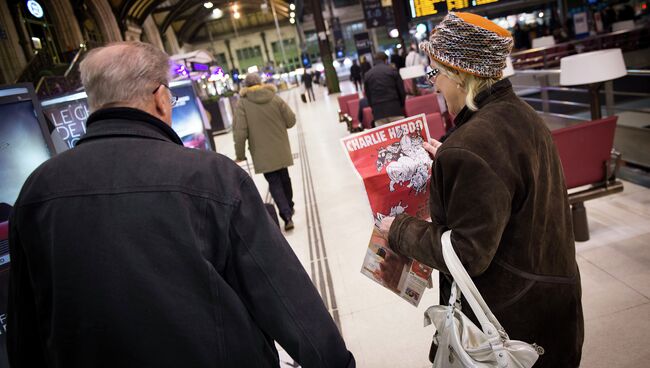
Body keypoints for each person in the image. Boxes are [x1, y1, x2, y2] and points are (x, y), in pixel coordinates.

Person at [7, 41, 355, 368]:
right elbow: (284, 297)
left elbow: (27, 329)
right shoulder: (212, 179)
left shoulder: (37, 191)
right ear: (160, 98)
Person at [379, 12, 583, 367]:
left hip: (509, 329)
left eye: (435, 73)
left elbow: (468, 254)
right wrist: (452, 157)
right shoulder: (521, 114)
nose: (434, 86)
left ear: (459, 76)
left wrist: (397, 230)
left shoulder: (472, 145)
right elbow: (509, 181)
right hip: (554, 310)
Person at [233, 73, 297, 231]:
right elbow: (291, 120)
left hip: (261, 153)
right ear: (260, 83)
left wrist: (240, 155)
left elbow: (240, 132)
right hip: (280, 148)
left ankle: (286, 214)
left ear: (246, 86)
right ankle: (289, 206)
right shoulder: (274, 97)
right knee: (285, 178)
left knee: (274, 183)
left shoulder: (243, 104)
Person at [363, 52, 406, 126]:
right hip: (395, 109)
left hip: (378, 113)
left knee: (385, 137)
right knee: (401, 135)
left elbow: (368, 95)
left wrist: (374, 108)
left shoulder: (367, 75)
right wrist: (400, 105)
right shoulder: (392, 71)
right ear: (385, 60)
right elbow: (401, 91)